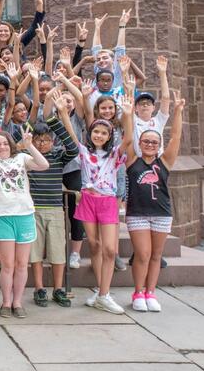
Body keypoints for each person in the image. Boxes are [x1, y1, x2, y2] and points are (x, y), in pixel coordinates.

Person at [65, 94, 134, 314]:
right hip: (88, 200)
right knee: (94, 245)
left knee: (110, 250)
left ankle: (105, 294)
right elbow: (70, 132)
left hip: (107, 202)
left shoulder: (115, 154)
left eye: (104, 132)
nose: (99, 135)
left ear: (109, 136)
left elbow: (129, 140)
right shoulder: (84, 152)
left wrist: (128, 115)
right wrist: (63, 112)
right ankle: (100, 290)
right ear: (90, 134)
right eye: (96, 131)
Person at [0, 129, 49, 318]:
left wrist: (29, 145)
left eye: (5, 143)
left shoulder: (21, 157)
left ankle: (17, 302)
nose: (2, 147)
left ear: (11, 144)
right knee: (8, 265)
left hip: (24, 215)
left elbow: (43, 164)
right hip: (1, 215)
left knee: (22, 264)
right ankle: (6, 302)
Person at [126, 92, 185, 312]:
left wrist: (178, 111)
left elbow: (176, 138)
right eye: (146, 141)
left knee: (156, 255)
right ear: (140, 143)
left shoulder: (164, 162)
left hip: (161, 213)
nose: (150, 144)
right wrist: (127, 112)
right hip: (138, 213)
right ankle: (138, 291)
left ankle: (151, 292)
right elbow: (128, 134)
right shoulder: (133, 161)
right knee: (142, 254)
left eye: (154, 142)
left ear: (158, 144)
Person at [27, 93, 79, 309]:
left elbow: (74, 149)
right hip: (33, 209)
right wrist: (28, 144)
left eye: (46, 139)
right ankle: (39, 288)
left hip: (55, 209)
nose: (43, 143)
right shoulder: (28, 158)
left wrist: (54, 121)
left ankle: (58, 288)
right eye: (39, 140)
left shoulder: (58, 155)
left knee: (58, 252)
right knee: (35, 252)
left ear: (52, 140)